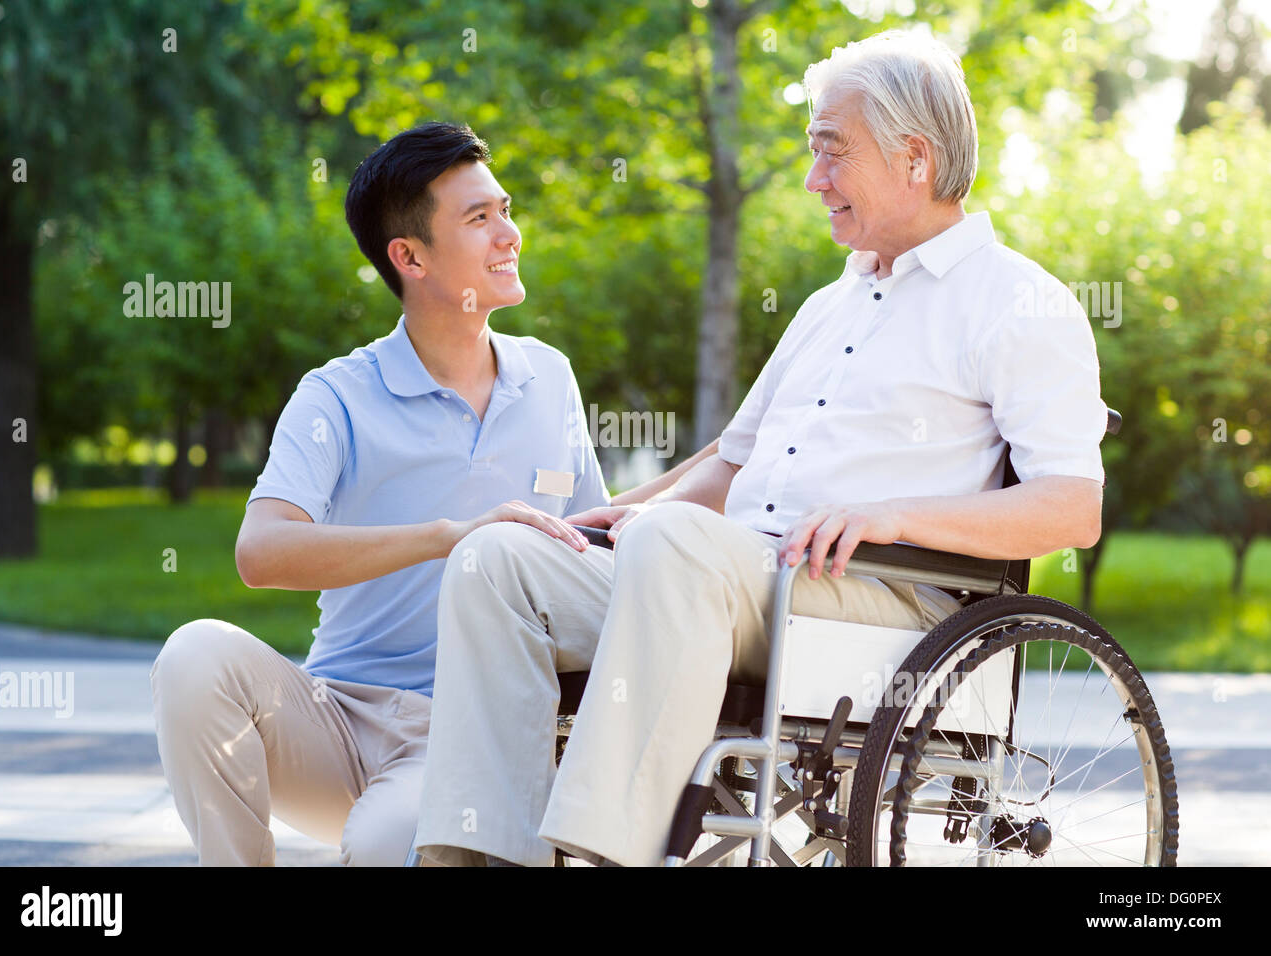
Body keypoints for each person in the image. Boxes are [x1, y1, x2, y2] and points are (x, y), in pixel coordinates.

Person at [415, 30, 1108, 867]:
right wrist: (622, 514)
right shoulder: (830, 303)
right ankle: (479, 858)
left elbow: (1073, 506)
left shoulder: (1018, 303)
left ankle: (608, 854)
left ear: (914, 158)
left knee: (673, 544)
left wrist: (888, 512)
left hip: (875, 601)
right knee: (499, 560)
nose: (815, 179)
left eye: (831, 153)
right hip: (726, 579)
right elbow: (732, 462)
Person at [150, 121, 715, 866]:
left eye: (505, 209)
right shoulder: (336, 397)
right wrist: (453, 536)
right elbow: (262, 551)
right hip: (336, 719)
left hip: (475, 730)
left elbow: (588, 539)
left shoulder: (550, 378)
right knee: (193, 656)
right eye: (479, 219)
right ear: (409, 256)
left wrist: (724, 457)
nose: (509, 234)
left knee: (388, 843)